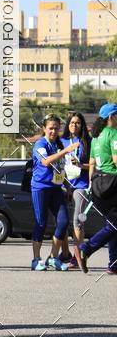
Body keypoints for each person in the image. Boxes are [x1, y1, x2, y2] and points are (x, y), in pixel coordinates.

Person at [30, 114, 79, 271]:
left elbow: (60, 168)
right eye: (50, 128)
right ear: (44, 128)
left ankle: (53, 257)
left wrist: (68, 185)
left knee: (63, 222)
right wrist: (65, 151)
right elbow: (46, 161)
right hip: (41, 188)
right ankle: (36, 259)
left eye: (56, 128)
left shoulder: (57, 144)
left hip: (56, 188)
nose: (53, 131)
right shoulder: (40, 144)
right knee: (41, 222)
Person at [73, 103, 117, 275]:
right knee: (114, 223)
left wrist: (92, 186)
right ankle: (86, 248)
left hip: (97, 183)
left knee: (112, 223)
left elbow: (91, 163)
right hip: (112, 182)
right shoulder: (113, 133)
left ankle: (113, 264)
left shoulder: (97, 137)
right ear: (111, 117)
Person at [60, 111, 91, 266]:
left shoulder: (88, 141)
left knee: (77, 221)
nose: (74, 125)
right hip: (64, 185)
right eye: (72, 122)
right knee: (61, 221)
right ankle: (64, 254)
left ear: (82, 125)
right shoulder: (62, 141)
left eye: (78, 122)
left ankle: (78, 256)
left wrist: (81, 165)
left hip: (81, 186)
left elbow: (94, 165)